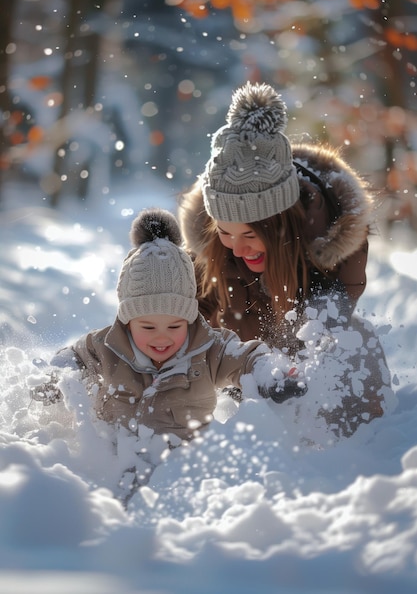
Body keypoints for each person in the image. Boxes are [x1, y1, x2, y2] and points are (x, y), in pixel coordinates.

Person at [178, 81, 392, 438]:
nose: (236, 248)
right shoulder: (209, 253)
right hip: (233, 381)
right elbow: (165, 325)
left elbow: (328, 332)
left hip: (303, 380)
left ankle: (351, 451)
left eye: (249, 235)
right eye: (225, 233)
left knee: (355, 344)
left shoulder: (328, 249)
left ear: (280, 224)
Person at [30, 208, 306, 445]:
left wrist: (270, 374)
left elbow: (248, 358)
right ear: (127, 321)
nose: (162, 338)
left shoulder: (209, 349)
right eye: (148, 327)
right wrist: (56, 380)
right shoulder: (106, 346)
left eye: (175, 326)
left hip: (179, 473)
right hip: (114, 462)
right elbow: (72, 357)